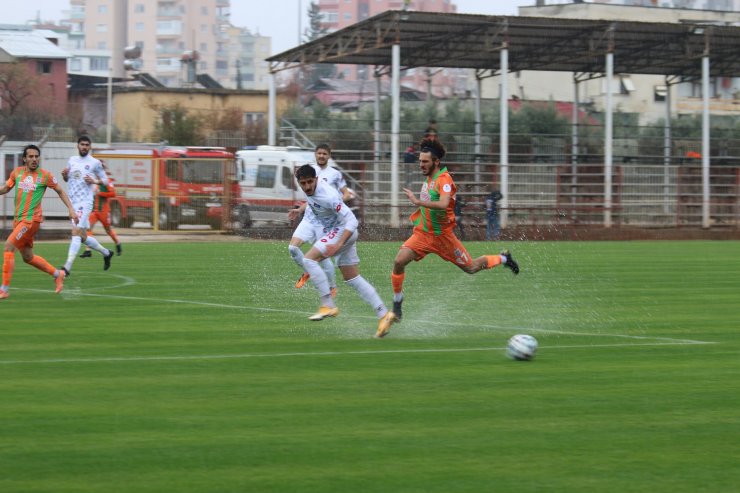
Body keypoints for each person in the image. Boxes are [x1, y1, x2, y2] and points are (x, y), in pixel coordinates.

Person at [376, 138, 520, 338]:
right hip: (422, 235)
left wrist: (418, 202)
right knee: (399, 261)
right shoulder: (429, 179)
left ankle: (504, 258)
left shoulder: (444, 180)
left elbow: (444, 204)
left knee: (470, 268)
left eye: (425, 162)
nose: (421, 165)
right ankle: (397, 305)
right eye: (419, 161)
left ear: (436, 162)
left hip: (443, 238)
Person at [293, 164, 390, 330]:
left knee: (309, 260)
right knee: (352, 278)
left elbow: (352, 220)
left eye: (310, 182)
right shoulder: (313, 191)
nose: (307, 186)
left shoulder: (328, 196)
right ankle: (384, 314)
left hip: (344, 231)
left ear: (316, 179)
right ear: (299, 183)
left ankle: (328, 304)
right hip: (342, 233)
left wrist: (338, 243)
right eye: (303, 183)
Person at [0, 144, 77, 299]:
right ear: (24, 159)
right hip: (19, 221)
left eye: (36, 156)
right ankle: (58, 274)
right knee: (28, 257)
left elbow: (60, 191)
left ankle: (4, 289)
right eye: (31, 156)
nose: (34, 159)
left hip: (31, 221)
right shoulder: (17, 173)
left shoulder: (45, 176)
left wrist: (71, 209)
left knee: (8, 246)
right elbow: (6, 188)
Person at [288, 144, 352, 298]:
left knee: (323, 257)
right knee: (292, 249)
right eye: (319, 153)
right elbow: (311, 200)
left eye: (324, 153)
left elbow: (347, 195)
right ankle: (308, 271)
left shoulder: (335, 174)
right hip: (309, 218)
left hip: (325, 221)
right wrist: (299, 210)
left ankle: (332, 287)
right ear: (315, 155)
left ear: (329, 155)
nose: (321, 156)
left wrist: (336, 205)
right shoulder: (309, 172)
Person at [60, 135, 114, 276]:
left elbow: (106, 181)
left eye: (86, 145)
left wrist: (95, 181)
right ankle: (106, 253)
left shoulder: (95, 163)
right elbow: (67, 179)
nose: (84, 147)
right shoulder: (72, 160)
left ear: (90, 147)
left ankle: (67, 267)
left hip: (85, 202)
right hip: (73, 202)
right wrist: (64, 175)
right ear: (77, 146)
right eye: (82, 144)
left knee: (75, 232)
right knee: (82, 236)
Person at [79, 161, 122, 258]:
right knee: (87, 228)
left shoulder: (107, 181)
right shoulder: (94, 181)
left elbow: (113, 194)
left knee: (108, 230)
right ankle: (88, 250)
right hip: (94, 211)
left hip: (104, 211)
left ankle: (118, 243)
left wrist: (100, 193)